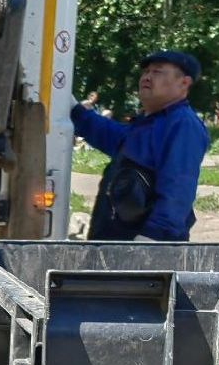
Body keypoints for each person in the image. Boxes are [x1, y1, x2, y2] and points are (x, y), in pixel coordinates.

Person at [71, 51, 209, 242]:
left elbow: (178, 186)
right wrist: (73, 109)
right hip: (117, 240)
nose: (147, 77)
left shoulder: (181, 124)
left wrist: (153, 238)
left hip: (144, 244)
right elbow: (106, 133)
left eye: (158, 72)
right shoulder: (146, 124)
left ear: (184, 83)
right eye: (146, 72)